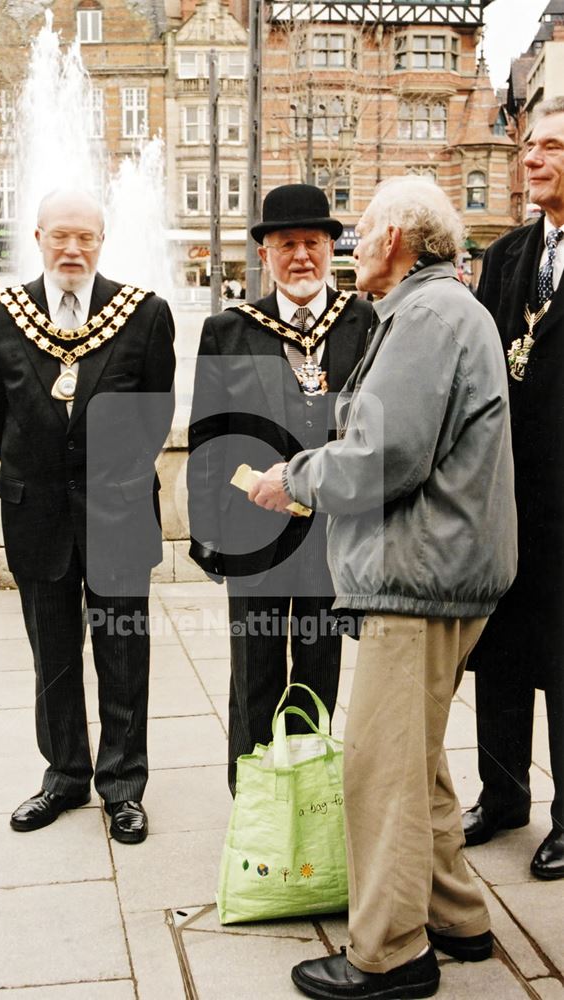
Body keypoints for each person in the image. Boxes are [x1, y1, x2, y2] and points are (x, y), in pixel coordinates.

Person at [251, 176, 517, 999]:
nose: (353, 246)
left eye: (361, 231)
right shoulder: (434, 309)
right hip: (435, 567)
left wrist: (290, 480)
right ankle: (457, 915)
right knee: (418, 759)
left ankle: (390, 952)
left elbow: (382, 457)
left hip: (418, 575)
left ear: (397, 236)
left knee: (380, 768)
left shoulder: (427, 316)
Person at [0, 189, 175, 844]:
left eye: (86, 237)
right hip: (38, 516)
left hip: (118, 513)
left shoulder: (143, 315)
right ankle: (63, 774)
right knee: (52, 655)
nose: (73, 249)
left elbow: (154, 416)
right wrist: (43, 471)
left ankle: (123, 787)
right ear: (37, 238)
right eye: (61, 236)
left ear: (102, 242)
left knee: (123, 654)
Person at [187, 183, 372, 795]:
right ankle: (256, 803)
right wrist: (208, 534)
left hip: (335, 536)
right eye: (287, 243)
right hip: (252, 534)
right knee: (255, 673)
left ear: (331, 249)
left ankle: (312, 799)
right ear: (264, 253)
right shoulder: (229, 329)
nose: (301, 256)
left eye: (313, 243)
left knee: (320, 668)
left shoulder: (365, 323)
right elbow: (207, 436)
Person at [462, 96, 564, 879]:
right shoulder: (504, 258)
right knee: (496, 651)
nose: (531, 159)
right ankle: (501, 797)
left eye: (552, 147)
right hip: (505, 500)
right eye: (529, 145)